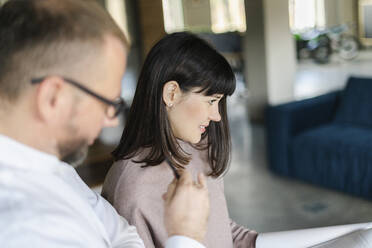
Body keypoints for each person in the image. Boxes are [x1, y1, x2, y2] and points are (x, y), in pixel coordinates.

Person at [0, 1, 209, 247]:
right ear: (53, 98)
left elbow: (121, 232)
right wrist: (185, 235)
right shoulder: (26, 226)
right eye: (107, 102)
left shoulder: (54, 167)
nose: (111, 119)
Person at [102, 32, 258, 248]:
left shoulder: (201, 147)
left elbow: (218, 227)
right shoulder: (131, 189)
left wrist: (256, 242)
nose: (217, 116)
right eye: (211, 101)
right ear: (172, 93)